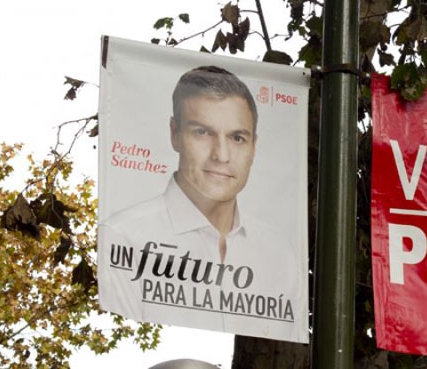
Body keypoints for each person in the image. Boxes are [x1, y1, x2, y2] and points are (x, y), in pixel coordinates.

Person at [98, 66, 307, 343]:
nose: (221, 155)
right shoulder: (124, 236)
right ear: (175, 134)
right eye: (203, 132)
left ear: (254, 146)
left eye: (237, 138)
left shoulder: (281, 254)